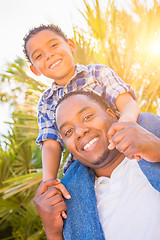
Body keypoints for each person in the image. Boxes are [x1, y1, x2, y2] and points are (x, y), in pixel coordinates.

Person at [34, 91, 160, 240]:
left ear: (112, 114)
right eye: (68, 131)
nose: (80, 132)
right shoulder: (73, 201)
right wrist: (53, 233)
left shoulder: (153, 138)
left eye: (87, 117)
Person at [23, 24, 140, 182]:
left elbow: (127, 102)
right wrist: (49, 180)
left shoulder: (97, 73)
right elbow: (51, 144)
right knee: (73, 181)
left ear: (70, 45)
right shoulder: (46, 102)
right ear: (35, 70)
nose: (49, 55)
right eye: (39, 56)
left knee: (147, 122)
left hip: (121, 138)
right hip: (86, 158)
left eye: (53, 45)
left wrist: (127, 122)